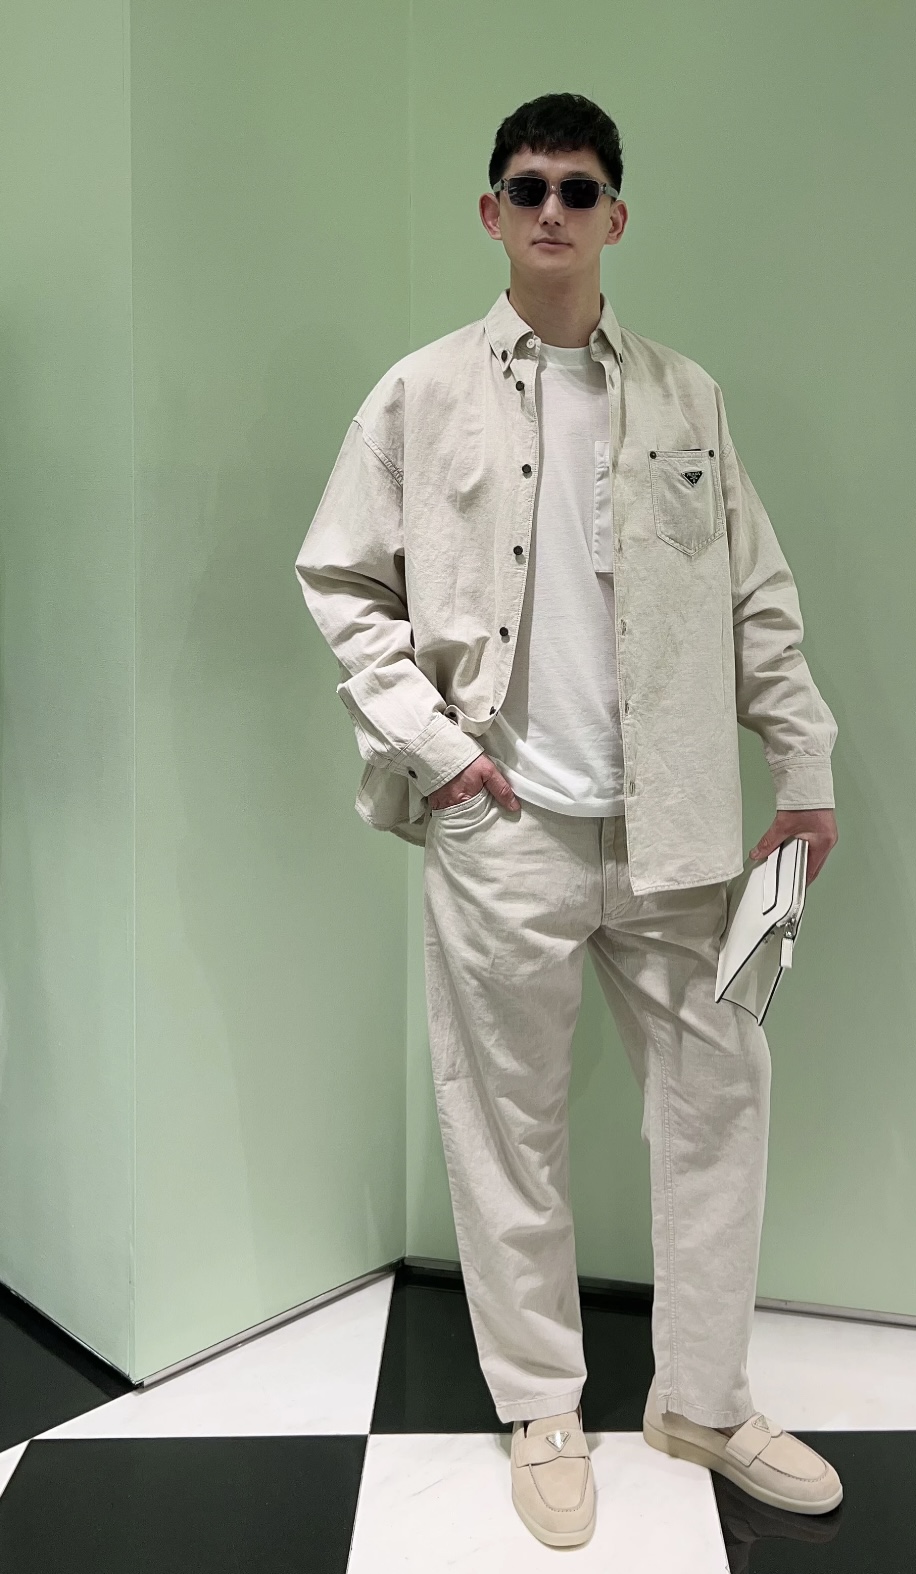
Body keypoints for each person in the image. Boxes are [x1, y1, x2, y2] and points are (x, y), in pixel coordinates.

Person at [297, 92, 841, 1549]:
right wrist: (437, 754)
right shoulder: (419, 394)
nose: (553, 208)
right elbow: (340, 581)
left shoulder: (686, 397)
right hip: (506, 830)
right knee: (506, 1127)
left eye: (579, 187)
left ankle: (704, 1401)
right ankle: (542, 1402)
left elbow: (757, 598)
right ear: (492, 212)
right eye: (528, 186)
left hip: (679, 834)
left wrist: (804, 767)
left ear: (616, 215)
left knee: (724, 1098)